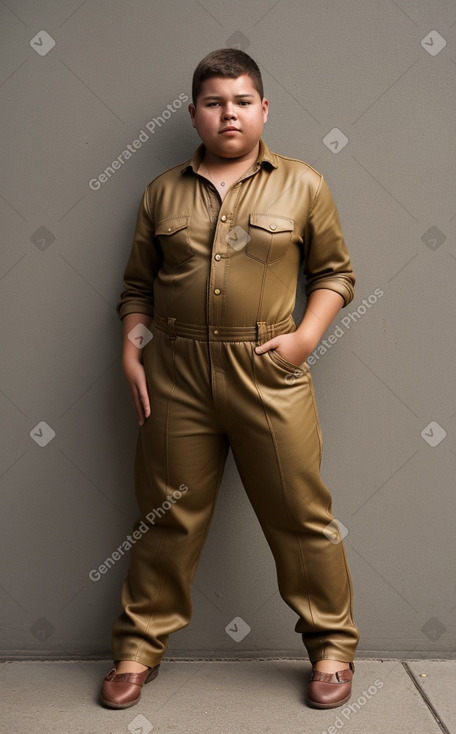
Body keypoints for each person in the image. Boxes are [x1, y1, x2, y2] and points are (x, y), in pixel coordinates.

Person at [100, 48, 359, 711]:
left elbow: (334, 274)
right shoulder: (162, 191)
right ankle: (136, 651)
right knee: (165, 519)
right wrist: (133, 351)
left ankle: (331, 649)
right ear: (194, 114)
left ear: (263, 108)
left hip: (266, 374)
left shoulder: (302, 184)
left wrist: (303, 339)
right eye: (214, 102)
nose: (229, 114)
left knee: (301, 518)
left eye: (241, 101)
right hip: (175, 373)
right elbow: (137, 289)